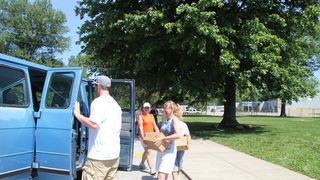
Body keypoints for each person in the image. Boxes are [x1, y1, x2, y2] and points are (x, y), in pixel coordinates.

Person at [73, 75, 122, 180]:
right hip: (113, 156)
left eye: (95, 86)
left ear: (99, 86)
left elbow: (94, 124)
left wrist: (78, 114)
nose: (95, 88)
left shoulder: (98, 102)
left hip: (99, 157)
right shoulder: (115, 104)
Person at [154, 101, 181, 180]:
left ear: (172, 109)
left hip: (169, 151)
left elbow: (178, 135)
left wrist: (163, 138)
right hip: (161, 149)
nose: (164, 110)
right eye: (164, 108)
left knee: (160, 176)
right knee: (163, 175)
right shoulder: (164, 118)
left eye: (167, 108)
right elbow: (162, 132)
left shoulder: (174, 120)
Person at [138, 102, 159, 175]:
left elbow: (155, 126)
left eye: (148, 107)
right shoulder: (141, 116)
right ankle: (152, 169)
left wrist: (159, 134)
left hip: (151, 136)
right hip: (143, 136)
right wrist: (143, 136)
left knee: (146, 151)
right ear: (143, 108)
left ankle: (141, 164)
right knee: (149, 151)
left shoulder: (151, 116)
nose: (146, 109)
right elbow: (140, 126)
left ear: (150, 108)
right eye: (145, 107)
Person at [172, 104, 191, 180]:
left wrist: (188, 144)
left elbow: (188, 135)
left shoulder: (183, 124)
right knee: (175, 164)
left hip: (180, 146)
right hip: (173, 146)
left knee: (179, 164)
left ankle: (176, 177)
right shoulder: (171, 122)